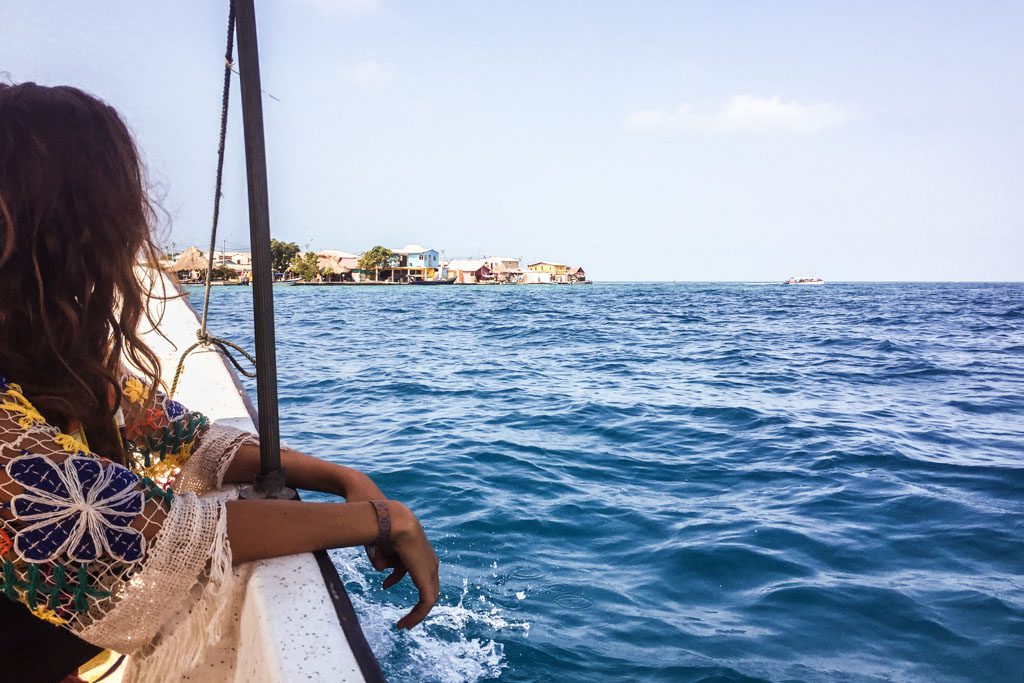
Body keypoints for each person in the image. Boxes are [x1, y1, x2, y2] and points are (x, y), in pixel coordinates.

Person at [0, 82, 440, 679]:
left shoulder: (50, 354)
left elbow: (186, 439)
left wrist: (343, 477)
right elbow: (148, 535)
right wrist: (385, 520)